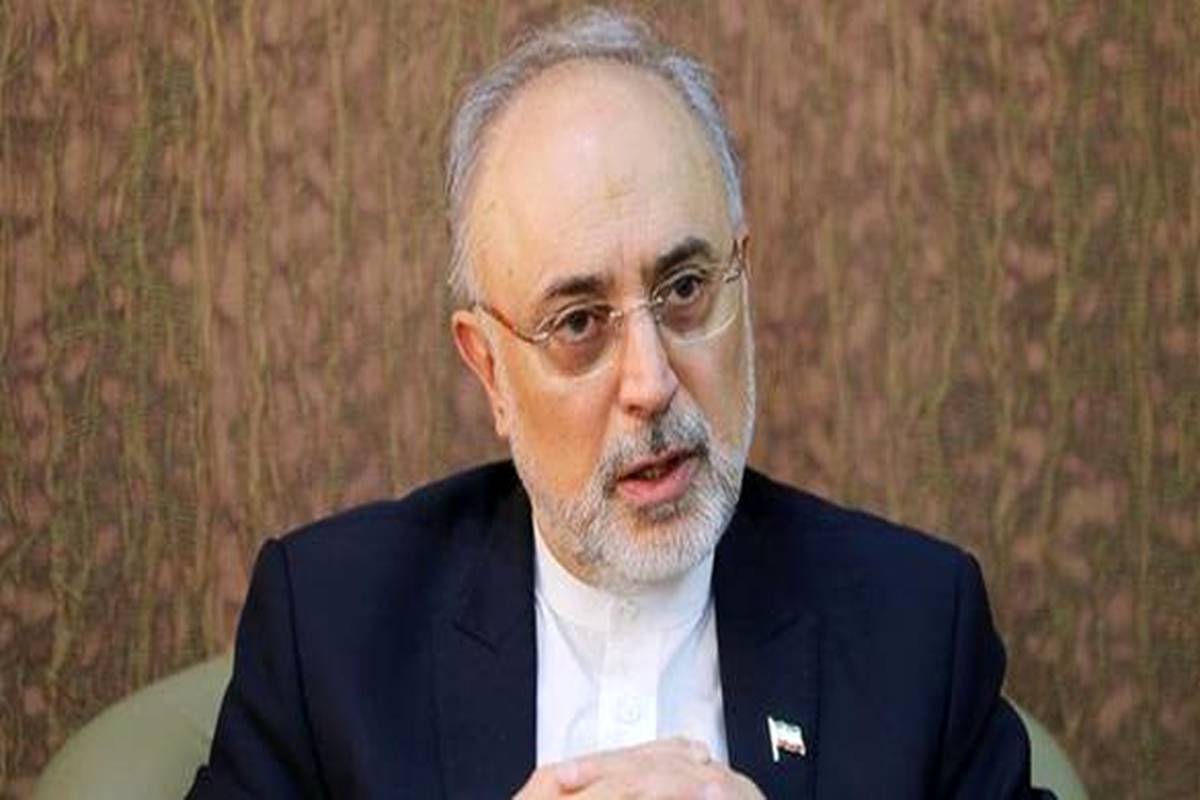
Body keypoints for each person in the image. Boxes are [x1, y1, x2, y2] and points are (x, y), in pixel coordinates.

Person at [189, 8, 1052, 799]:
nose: (650, 383)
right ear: (489, 369)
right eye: (577, 323)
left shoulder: (915, 629)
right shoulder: (331, 633)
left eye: (685, 289)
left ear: (741, 279)